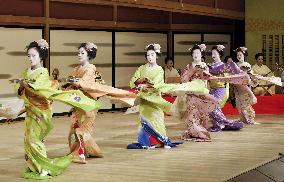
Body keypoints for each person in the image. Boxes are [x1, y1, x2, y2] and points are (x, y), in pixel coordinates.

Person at [14, 39, 100, 179]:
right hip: (33, 109)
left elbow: (42, 89)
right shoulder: (76, 69)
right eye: (28, 56)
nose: (30, 58)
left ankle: (77, 155)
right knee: (30, 138)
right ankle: (36, 165)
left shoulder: (43, 72)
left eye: (33, 55)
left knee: (79, 130)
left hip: (51, 108)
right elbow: (22, 88)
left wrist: (28, 86)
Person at [62, 42, 136, 163]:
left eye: (82, 53)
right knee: (73, 128)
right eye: (78, 53)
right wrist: (68, 84)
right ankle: (86, 151)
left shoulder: (91, 68)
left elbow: (86, 83)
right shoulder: (76, 69)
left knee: (83, 130)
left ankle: (80, 154)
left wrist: (76, 82)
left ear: (89, 55)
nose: (79, 55)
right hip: (78, 104)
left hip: (88, 104)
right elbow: (71, 84)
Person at [127, 43, 210, 148]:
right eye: (148, 55)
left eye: (152, 55)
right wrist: (142, 80)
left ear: (156, 56)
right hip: (144, 99)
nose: (150, 57)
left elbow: (156, 84)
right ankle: (146, 142)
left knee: (157, 119)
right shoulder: (141, 68)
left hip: (154, 99)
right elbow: (133, 81)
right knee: (144, 120)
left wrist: (144, 85)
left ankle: (159, 140)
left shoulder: (159, 69)